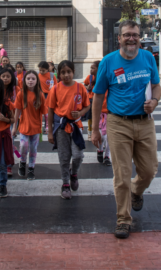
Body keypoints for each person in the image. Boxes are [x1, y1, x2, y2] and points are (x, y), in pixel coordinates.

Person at [91, 20, 161, 239]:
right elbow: (98, 96)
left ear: (140, 37)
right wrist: (94, 129)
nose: (132, 38)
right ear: (119, 38)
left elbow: (156, 85)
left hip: (145, 122)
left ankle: (136, 190)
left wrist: (155, 101)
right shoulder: (108, 62)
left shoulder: (148, 58)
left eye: (136, 35)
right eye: (127, 35)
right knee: (121, 175)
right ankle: (123, 219)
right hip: (117, 123)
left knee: (149, 171)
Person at [47, 60, 90, 200]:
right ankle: (65, 183)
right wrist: (49, 131)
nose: (66, 75)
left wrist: (81, 113)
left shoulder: (80, 88)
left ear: (73, 72)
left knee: (78, 155)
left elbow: (87, 105)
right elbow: (51, 110)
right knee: (64, 157)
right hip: (61, 127)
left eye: (69, 72)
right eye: (63, 72)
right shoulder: (55, 89)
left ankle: (74, 173)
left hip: (76, 127)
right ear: (58, 74)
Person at [12, 70, 47, 180]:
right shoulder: (21, 93)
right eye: (28, 78)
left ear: (37, 81)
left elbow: (45, 112)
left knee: (33, 149)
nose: (30, 81)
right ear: (24, 80)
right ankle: (22, 163)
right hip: (23, 127)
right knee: (23, 146)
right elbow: (17, 111)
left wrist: (47, 126)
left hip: (36, 128)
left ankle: (31, 168)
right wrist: (14, 127)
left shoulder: (40, 95)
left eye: (33, 78)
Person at [0, 68, 19, 176]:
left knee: (10, 142)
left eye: (8, 76)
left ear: (12, 78)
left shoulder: (16, 90)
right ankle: (1, 163)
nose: (5, 78)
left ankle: (9, 166)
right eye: (3, 76)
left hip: (12, 119)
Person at [83, 61, 100, 140]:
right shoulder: (89, 77)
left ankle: (98, 131)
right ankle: (90, 131)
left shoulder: (101, 77)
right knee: (90, 117)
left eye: (93, 68)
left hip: (99, 100)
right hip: (90, 99)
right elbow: (84, 85)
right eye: (90, 68)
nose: (91, 70)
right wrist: (87, 87)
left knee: (98, 117)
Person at [38, 61, 56, 134]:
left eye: (43, 70)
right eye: (40, 70)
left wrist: (52, 88)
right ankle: (38, 126)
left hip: (48, 95)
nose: (41, 72)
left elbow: (56, 85)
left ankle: (47, 126)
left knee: (47, 111)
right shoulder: (37, 75)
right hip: (40, 94)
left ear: (47, 69)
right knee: (39, 110)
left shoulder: (51, 75)